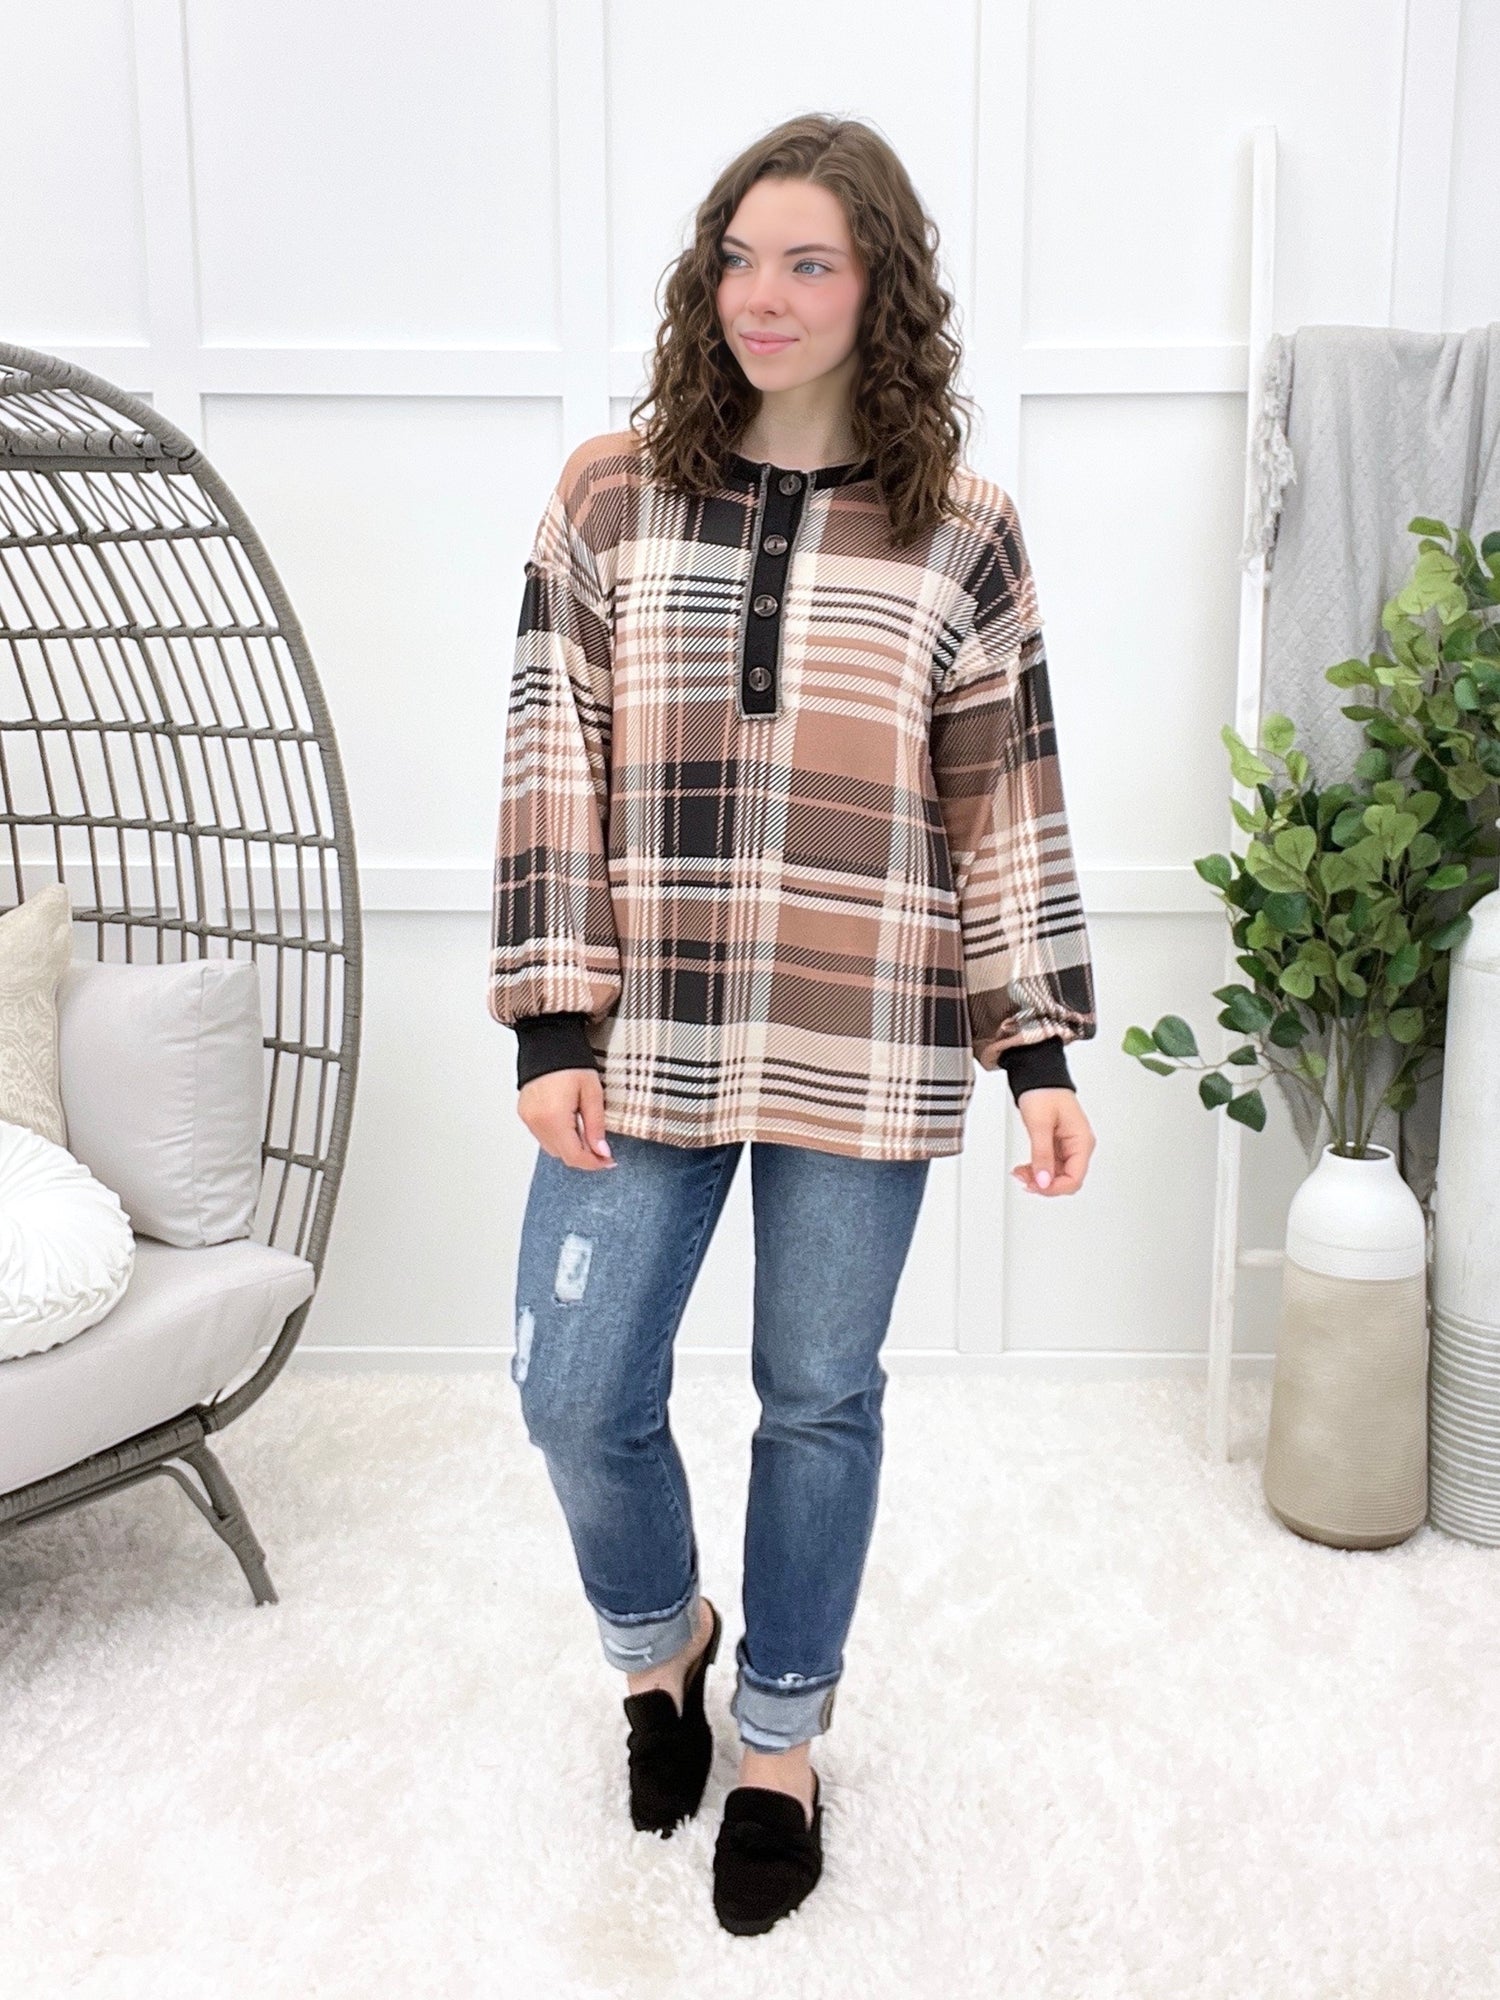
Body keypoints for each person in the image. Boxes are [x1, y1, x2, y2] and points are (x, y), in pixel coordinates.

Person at [487, 111, 1098, 1935]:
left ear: (878, 285)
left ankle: (778, 1742)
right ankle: (661, 1638)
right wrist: (552, 1023)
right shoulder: (612, 495)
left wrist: (1038, 1052)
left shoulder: (964, 529)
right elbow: (549, 750)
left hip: (867, 1024)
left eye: (808, 261)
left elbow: (1003, 799)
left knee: (818, 1399)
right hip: (645, 1025)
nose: (762, 295)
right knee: (572, 1390)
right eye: (738, 258)